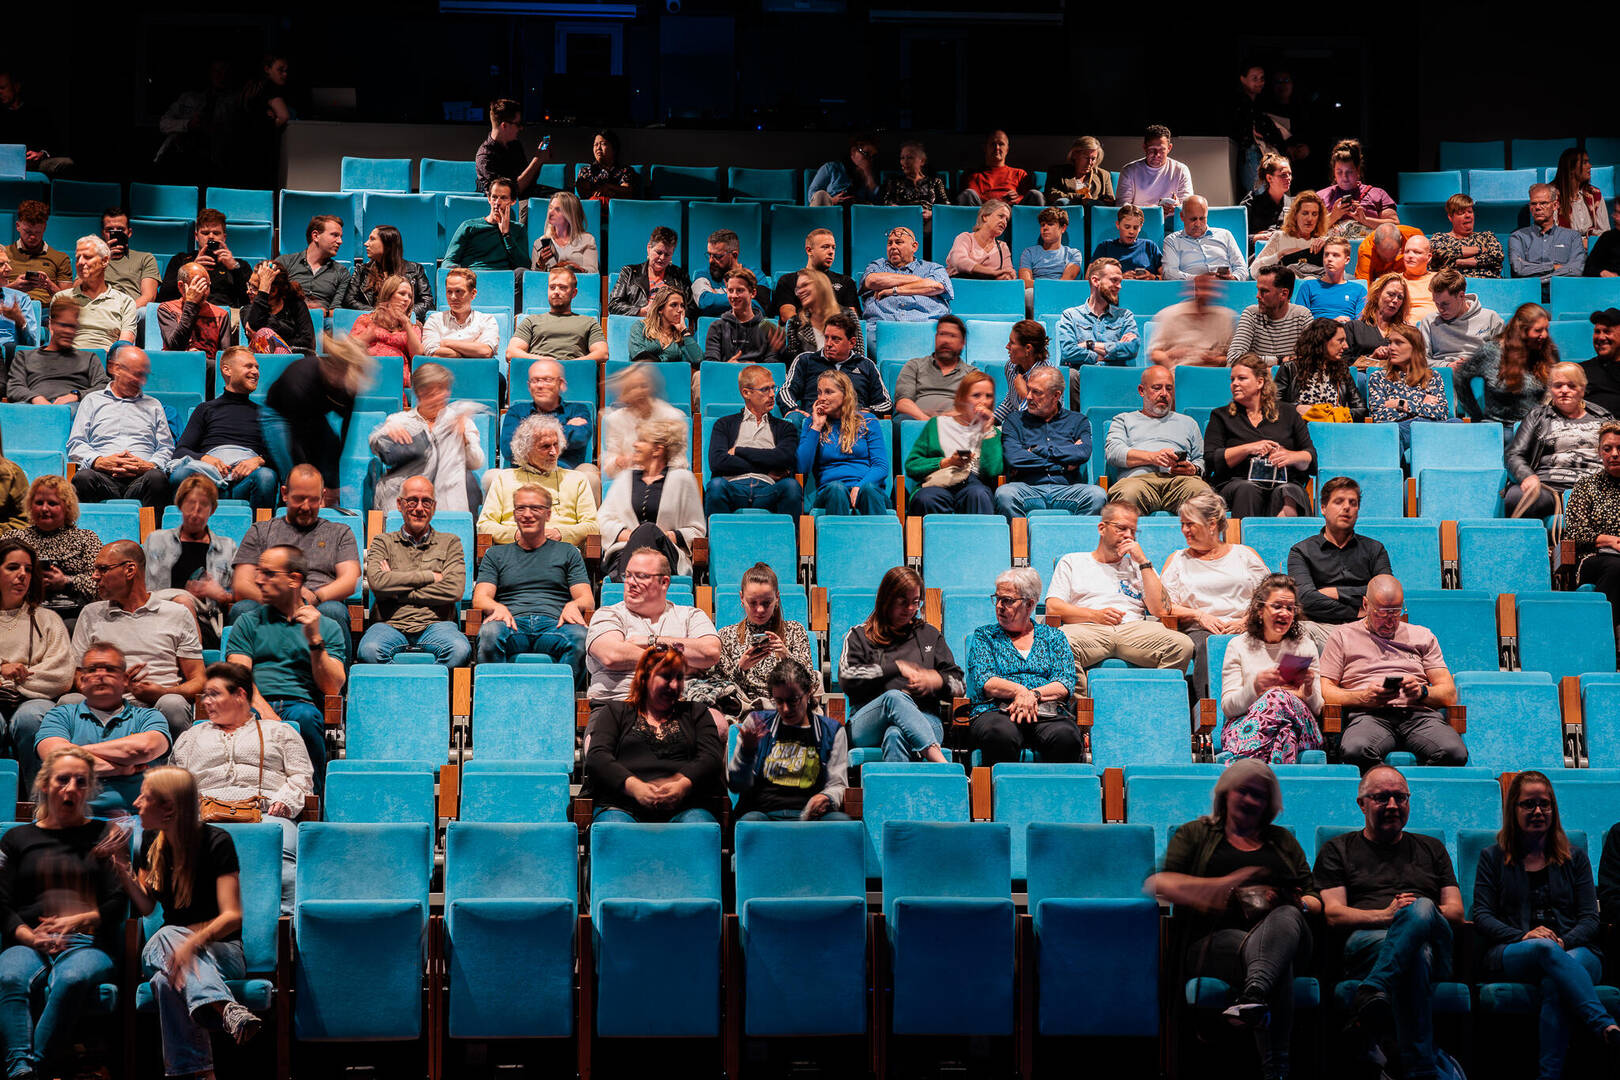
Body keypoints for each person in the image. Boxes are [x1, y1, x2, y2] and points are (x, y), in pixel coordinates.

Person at [1147, 760, 1319, 1076]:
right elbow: (1158, 883)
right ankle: (1276, 1068)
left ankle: (1253, 994)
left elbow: (1314, 899)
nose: (1251, 801)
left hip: (1284, 931)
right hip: (1215, 943)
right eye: (1244, 791)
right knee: (1272, 959)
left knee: (1285, 920)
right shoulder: (1196, 834)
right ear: (1225, 793)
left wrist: (1292, 901)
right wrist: (1226, 885)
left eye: (1260, 796)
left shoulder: (1282, 841)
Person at [102, 765, 264, 1073]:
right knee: (166, 940)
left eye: (144, 797)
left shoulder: (217, 842)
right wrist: (122, 865)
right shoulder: (151, 840)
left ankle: (198, 1072)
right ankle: (224, 1009)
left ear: (169, 808)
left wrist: (192, 942)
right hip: (168, 949)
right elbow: (147, 906)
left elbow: (232, 916)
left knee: (165, 980)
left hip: (221, 951)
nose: (136, 803)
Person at [1317, 765, 1466, 1077]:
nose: (1393, 806)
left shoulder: (1432, 848)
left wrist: (1415, 914)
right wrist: (1386, 916)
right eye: (1382, 798)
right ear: (1362, 803)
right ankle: (1421, 1067)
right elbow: (1333, 913)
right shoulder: (1338, 849)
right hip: (1367, 943)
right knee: (1416, 953)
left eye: (1400, 797)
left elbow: (1454, 912)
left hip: (1436, 940)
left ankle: (1373, 988)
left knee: (1423, 907)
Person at [1473, 770, 1620, 1077]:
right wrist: (1523, 935)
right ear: (1513, 810)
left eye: (1545, 804)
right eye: (1528, 804)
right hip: (1514, 951)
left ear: (1554, 809)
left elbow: (1590, 918)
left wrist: (1564, 942)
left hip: (1575, 949)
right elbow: (1483, 916)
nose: (1538, 811)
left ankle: (1549, 1075)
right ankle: (1601, 1021)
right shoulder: (1492, 857)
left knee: (1557, 976)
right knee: (1543, 949)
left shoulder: (1575, 858)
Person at [0, 748, 124, 1080]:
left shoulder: (104, 835)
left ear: (89, 790)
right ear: (44, 784)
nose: (71, 788)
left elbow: (116, 903)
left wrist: (79, 920)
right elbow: (1, 903)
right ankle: (19, 1066)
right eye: (63, 779)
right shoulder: (16, 838)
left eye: (81, 782)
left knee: (72, 979)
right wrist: (31, 936)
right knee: (9, 976)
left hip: (87, 943)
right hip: (28, 940)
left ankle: (32, 1070)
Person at [169, 662, 313, 914]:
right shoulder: (190, 736)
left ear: (240, 695)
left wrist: (287, 800)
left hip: (267, 813)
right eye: (204, 695)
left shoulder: (280, 731)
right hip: (204, 813)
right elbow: (174, 781)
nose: (206, 701)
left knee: (280, 841)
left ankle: (281, 925)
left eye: (214, 694)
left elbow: (302, 776)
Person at [225, 544, 348, 790]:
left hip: (300, 706)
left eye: (268, 573)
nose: (258, 580)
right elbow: (240, 679)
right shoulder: (247, 622)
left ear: (294, 579)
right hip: (252, 704)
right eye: (258, 572)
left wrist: (314, 639)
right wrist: (268, 715)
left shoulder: (327, 627)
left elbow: (332, 687)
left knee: (305, 718)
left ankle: (313, 803)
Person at [1320, 575, 1466, 770]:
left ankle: (1414, 794)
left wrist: (1422, 692)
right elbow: (1325, 690)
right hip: (1369, 715)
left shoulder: (1422, 635)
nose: (1389, 622)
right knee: (1356, 750)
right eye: (1381, 614)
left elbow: (1449, 694)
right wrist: (1363, 697)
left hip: (1418, 715)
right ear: (1365, 605)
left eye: (1395, 613)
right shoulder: (1342, 636)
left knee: (1454, 752)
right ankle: (1384, 790)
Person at [1045, 503, 1194, 684]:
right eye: (1122, 528)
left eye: (1133, 531)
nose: (1128, 536)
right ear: (1102, 528)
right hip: (1087, 629)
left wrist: (1143, 561)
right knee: (1057, 644)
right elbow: (1053, 607)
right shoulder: (1072, 561)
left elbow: (1161, 610)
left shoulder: (1140, 566)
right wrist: (1095, 615)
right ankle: (1080, 708)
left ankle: (1152, 701)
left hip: (1135, 630)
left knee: (1182, 646)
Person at [69, 539, 204, 736]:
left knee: (173, 704)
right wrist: (110, 689)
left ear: (130, 570)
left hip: (159, 703)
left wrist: (162, 693)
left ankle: (171, 766)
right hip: (103, 702)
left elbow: (198, 680)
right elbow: (78, 675)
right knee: (68, 702)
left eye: (102, 569)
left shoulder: (177, 614)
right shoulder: (90, 613)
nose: (94, 577)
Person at [583, 644, 726, 823]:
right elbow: (598, 757)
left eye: (679, 678)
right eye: (666, 677)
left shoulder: (696, 712)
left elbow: (711, 757)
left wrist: (682, 784)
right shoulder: (615, 711)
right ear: (645, 677)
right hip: (623, 805)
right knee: (614, 827)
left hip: (686, 805)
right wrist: (634, 787)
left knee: (699, 825)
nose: (674, 685)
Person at [839, 566, 962, 764]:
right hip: (869, 723)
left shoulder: (929, 634)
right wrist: (895, 667)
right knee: (894, 698)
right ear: (886, 599)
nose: (911, 609)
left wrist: (937, 680)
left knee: (896, 735)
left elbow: (959, 685)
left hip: (926, 719)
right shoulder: (859, 635)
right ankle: (942, 765)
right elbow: (847, 676)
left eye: (915, 602)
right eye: (903, 602)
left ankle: (897, 794)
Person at [472, 484, 593, 681]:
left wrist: (574, 604)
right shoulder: (495, 554)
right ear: (514, 514)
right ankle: (498, 699)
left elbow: (586, 598)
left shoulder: (568, 552)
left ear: (548, 514)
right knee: (490, 633)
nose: (527, 514)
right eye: (521, 508)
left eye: (535, 508)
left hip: (554, 625)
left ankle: (559, 700)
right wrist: (496, 607)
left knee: (581, 638)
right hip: (511, 624)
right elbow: (480, 598)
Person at [229, 465, 361, 642]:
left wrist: (315, 597)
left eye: (313, 500)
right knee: (242, 608)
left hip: (318, 604)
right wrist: (281, 600)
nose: (306, 507)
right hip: (268, 603)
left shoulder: (340, 532)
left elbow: (349, 580)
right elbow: (241, 584)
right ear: (285, 494)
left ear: (322, 497)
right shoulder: (260, 531)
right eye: (299, 499)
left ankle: (336, 669)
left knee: (334, 611)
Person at [964, 567, 1081, 765]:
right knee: (999, 734)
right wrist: (1021, 692)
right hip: (996, 711)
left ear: (1030, 604)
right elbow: (985, 680)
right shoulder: (985, 636)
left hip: (1046, 711)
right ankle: (1002, 794)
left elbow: (1065, 681)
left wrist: (1033, 695)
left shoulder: (1053, 637)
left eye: (1007, 600)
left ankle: (1053, 794)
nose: (999, 606)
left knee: (1066, 736)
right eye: (997, 598)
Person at [34, 644, 170, 813]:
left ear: (125, 680)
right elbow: (55, 760)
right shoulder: (60, 715)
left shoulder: (149, 716)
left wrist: (75, 752)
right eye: (92, 670)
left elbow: (144, 749)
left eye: (109, 669)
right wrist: (121, 768)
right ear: (82, 681)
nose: (100, 675)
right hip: (70, 817)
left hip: (137, 819)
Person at [1160, 492, 1269, 696]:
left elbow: (1269, 597)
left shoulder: (1244, 555)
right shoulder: (1177, 560)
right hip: (1200, 631)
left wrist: (1247, 620)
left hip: (1246, 625)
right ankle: (1210, 716)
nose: (1185, 530)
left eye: (1190, 524)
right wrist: (1199, 615)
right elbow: (1165, 606)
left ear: (1211, 524)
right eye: (1182, 524)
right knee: (1210, 645)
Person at [358, 476, 470, 668]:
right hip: (390, 624)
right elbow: (377, 583)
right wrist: (430, 577)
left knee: (459, 649)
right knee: (369, 650)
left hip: (436, 624)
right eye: (412, 501)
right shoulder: (382, 542)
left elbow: (454, 590)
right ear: (400, 505)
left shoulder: (450, 542)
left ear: (434, 507)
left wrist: (395, 588)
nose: (419, 508)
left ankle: (426, 686)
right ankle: (409, 687)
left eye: (426, 501)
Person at [584, 547, 721, 703]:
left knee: (718, 723)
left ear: (664, 582)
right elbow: (612, 656)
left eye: (641, 576)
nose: (630, 583)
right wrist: (678, 664)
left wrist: (652, 641)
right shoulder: (608, 614)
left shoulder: (691, 616)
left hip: (680, 705)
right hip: (619, 703)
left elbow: (710, 652)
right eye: (628, 575)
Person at [1218, 574, 1324, 764]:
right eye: (1277, 606)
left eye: (1290, 608)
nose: (1284, 613)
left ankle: (1243, 764)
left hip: (1301, 727)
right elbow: (1229, 707)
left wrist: (1307, 690)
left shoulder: (1304, 646)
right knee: (1284, 736)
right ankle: (1277, 784)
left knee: (1277, 697)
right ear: (1260, 610)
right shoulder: (1238, 646)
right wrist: (1256, 687)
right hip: (1247, 725)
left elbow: (1317, 708)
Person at [686, 563, 815, 718]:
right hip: (742, 711)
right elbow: (721, 689)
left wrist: (787, 657)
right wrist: (741, 667)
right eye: (753, 602)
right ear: (742, 598)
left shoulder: (795, 630)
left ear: (777, 598)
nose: (759, 610)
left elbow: (811, 683)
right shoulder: (726, 635)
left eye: (766, 603)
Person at [727, 658, 850, 821]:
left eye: (793, 701)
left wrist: (827, 797)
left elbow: (838, 784)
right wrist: (746, 753)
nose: (785, 709)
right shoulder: (758, 723)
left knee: (840, 822)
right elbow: (737, 785)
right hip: (763, 812)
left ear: (809, 693)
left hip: (810, 816)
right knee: (751, 821)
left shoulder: (832, 731)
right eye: (779, 701)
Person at [1207, 353, 1317, 520]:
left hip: (1282, 482)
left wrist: (1291, 456)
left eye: (1242, 378)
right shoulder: (1221, 416)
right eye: (1232, 379)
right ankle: (1245, 544)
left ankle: (1287, 544)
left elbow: (1310, 457)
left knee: (1290, 492)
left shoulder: (1288, 413)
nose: (1235, 384)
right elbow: (1211, 459)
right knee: (1247, 489)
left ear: (1260, 382)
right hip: (1237, 483)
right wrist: (1248, 448)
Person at [1286, 477, 1392, 649]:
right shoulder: (1301, 551)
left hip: (1368, 627)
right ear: (1323, 508)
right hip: (1321, 628)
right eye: (1338, 502)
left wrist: (1335, 592)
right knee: (1299, 632)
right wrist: (1356, 609)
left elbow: (1385, 593)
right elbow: (1305, 599)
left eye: (1353, 503)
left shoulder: (1374, 549)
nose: (1346, 507)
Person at [261, 339, 373, 496]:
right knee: (295, 473)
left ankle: (325, 502)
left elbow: (344, 432)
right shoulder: (300, 378)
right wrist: (306, 478)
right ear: (331, 367)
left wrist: (333, 485)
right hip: (280, 415)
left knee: (331, 444)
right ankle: (292, 502)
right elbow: (296, 440)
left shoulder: (348, 384)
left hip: (312, 413)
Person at [65, 346, 173, 508]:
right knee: (83, 478)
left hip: (142, 477)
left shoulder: (154, 405)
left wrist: (149, 465)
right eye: (135, 374)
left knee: (157, 478)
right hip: (102, 476)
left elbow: (166, 448)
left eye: (143, 375)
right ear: (115, 368)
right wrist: (99, 461)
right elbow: (76, 444)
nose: (140, 381)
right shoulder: (92, 401)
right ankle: (90, 533)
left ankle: (152, 534)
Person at [367, 362, 484, 512]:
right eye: (430, 393)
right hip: (408, 500)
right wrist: (386, 431)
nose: (437, 398)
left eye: (441, 390)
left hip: (448, 502)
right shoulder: (401, 420)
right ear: (418, 394)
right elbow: (375, 445)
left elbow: (476, 462)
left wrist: (465, 439)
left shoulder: (460, 420)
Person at [598, 419, 704, 579]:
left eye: (641, 440)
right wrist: (635, 536)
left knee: (649, 529)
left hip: (664, 556)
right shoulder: (624, 478)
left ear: (657, 449)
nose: (635, 445)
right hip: (624, 551)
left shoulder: (683, 479)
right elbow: (603, 521)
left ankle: (626, 579)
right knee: (646, 530)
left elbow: (696, 531)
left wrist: (661, 536)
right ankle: (629, 576)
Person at [995, 366, 1105, 520]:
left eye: (1037, 392)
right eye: (1028, 390)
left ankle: (1076, 540)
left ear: (1056, 396)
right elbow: (1014, 458)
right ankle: (1022, 542)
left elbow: (1083, 453)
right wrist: (1063, 463)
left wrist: (1035, 451)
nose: (1028, 397)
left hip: (1068, 489)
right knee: (1005, 494)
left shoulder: (1078, 421)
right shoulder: (1014, 421)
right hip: (1027, 489)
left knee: (1097, 495)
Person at [0, 537, 74, 764]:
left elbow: (61, 675)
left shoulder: (47, 619)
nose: (22, 574)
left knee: (31, 718)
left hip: (34, 700)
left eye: (28, 569)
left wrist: (10, 681)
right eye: (12, 567)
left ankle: (37, 797)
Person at [477, 413, 599, 547]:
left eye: (556, 445)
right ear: (526, 450)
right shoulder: (504, 479)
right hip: (514, 549)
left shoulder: (577, 479)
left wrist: (560, 533)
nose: (553, 452)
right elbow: (485, 525)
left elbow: (592, 526)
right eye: (545, 446)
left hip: (562, 550)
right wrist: (517, 534)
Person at [1104, 365, 1213, 514]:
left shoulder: (1188, 423)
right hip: (1138, 481)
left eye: (1169, 389)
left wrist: (1193, 469)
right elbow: (1113, 453)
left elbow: (1200, 459)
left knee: (1203, 494)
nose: (1164, 394)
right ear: (1141, 391)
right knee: (1127, 495)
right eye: (1157, 388)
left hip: (1181, 483)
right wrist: (1153, 457)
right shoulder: (1123, 420)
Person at [143, 476, 238, 641]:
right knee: (182, 601)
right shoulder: (156, 540)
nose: (195, 512)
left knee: (184, 603)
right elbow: (141, 587)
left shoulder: (227, 547)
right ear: (180, 505)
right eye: (190, 503)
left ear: (212, 510)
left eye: (203, 505)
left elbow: (242, 593)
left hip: (205, 621)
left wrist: (222, 595)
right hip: (158, 617)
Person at [167, 357, 270, 504]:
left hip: (247, 478)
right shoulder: (205, 409)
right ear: (226, 370)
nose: (255, 372)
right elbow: (180, 451)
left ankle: (260, 527)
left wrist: (259, 460)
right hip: (208, 480)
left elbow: (279, 455)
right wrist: (205, 458)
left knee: (266, 477)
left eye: (257, 367)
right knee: (181, 475)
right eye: (249, 366)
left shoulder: (264, 414)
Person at [703, 365, 801, 517]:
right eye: (765, 389)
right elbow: (718, 462)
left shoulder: (785, 427)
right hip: (733, 487)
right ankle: (716, 540)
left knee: (791, 486)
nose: (772, 394)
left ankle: (791, 540)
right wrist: (767, 466)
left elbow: (784, 458)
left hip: (768, 489)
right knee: (716, 486)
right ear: (746, 393)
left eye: (773, 388)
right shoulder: (724, 424)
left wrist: (739, 451)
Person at [5, 476, 102, 627]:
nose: (44, 508)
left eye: (52, 503)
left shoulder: (86, 538)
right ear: (30, 506)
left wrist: (66, 582)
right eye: (38, 503)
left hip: (75, 616)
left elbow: (101, 586)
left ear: (67, 507)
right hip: (20, 613)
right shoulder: (13, 538)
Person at [904, 369, 1001, 517]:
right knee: (925, 498)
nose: (983, 401)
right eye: (976, 395)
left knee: (979, 495)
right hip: (939, 481)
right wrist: (948, 462)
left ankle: (980, 540)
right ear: (962, 398)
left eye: (988, 396)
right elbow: (912, 466)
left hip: (975, 484)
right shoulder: (937, 424)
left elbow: (994, 472)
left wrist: (987, 430)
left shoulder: (994, 432)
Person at [799, 371, 890, 517]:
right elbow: (802, 467)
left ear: (844, 394)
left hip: (867, 488)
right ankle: (838, 539)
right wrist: (816, 426)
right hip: (830, 492)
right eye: (819, 393)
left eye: (828, 392)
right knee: (837, 488)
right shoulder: (812, 424)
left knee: (869, 490)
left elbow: (881, 466)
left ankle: (877, 539)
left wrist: (858, 487)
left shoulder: (868, 421)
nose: (822, 398)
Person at [1456, 302, 1558, 425]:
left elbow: (1553, 388)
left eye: (1546, 329)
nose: (1545, 335)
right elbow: (1460, 378)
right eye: (1538, 330)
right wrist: (1476, 416)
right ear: (1521, 331)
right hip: (1501, 428)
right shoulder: (1492, 352)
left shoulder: (1548, 351)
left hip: (1536, 427)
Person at [1562, 421, 1620, 629]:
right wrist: (1611, 541)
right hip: (1594, 558)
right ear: (1599, 453)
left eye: (1619, 448)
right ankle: (1600, 635)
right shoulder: (1586, 486)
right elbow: (1576, 530)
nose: (1614, 453)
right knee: (1616, 568)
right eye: (1608, 449)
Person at [779, 313, 891, 416]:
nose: (828, 344)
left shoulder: (865, 365)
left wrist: (867, 412)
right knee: (794, 417)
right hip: (813, 421)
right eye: (826, 337)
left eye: (835, 339)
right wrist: (794, 410)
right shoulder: (806, 360)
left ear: (851, 343)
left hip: (854, 423)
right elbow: (786, 391)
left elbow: (885, 403)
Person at [1366, 326, 1452, 457]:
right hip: (1400, 431)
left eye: (1398, 343)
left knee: (1457, 424)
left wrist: (1401, 403)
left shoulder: (1432, 377)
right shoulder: (1378, 377)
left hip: (1430, 429)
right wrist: (1422, 404)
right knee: (1394, 432)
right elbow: (1379, 416)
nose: (1391, 348)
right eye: (1390, 343)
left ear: (1415, 347)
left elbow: (1441, 412)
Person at [599, 364, 689, 484]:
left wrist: (652, 467)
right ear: (624, 394)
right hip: (627, 482)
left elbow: (680, 463)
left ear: (652, 388)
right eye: (633, 388)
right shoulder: (615, 420)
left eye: (644, 386)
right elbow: (609, 466)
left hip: (665, 481)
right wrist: (618, 461)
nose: (640, 392)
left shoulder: (672, 416)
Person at [7, 298, 108, 404]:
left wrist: (77, 395)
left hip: (75, 410)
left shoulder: (89, 358)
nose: (68, 331)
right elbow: (14, 387)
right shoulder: (24, 356)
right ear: (51, 324)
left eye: (72, 326)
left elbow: (103, 386)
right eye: (63, 325)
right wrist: (35, 398)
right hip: (35, 408)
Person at [500, 357, 593, 474]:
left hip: (566, 474)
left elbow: (579, 437)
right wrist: (563, 430)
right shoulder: (517, 411)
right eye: (535, 380)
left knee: (590, 475)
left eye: (547, 380)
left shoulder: (578, 410)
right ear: (529, 386)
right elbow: (509, 450)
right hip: (525, 473)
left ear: (561, 384)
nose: (540, 385)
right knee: (490, 476)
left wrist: (528, 439)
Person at [507, 265, 609, 364]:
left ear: (574, 293)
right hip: (539, 374)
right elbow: (511, 352)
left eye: (562, 287)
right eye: (552, 287)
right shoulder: (531, 320)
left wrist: (570, 364)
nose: (556, 292)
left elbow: (602, 353)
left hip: (574, 374)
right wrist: (541, 360)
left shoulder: (589, 322)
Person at [1274, 319, 1367, 420]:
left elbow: (1361, 409)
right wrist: (1296, 408)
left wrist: (1336, 413)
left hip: (1332, 428)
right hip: (1299, 428)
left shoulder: (1342, 370)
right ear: (1322, 341)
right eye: (1340, 340)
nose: (1346, 346)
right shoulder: (1290, 368)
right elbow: (1273, 404)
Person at [54, 237, 136, 351]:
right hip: (69, 361)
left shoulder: (125, 302)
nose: (81, 262)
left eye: (87, 257)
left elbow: (123, 348)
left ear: (105, 261)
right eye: (78, 258)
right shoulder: (61, 298)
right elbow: (56, 341)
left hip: (105, 362)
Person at [156, 209, 249, 309]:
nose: (211, 237)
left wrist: (235, 269)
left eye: (216, 233)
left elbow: (249, 300)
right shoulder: (180, 260)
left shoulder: (239, 265)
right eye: (205, 233)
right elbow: (164, 298)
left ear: (224, 237)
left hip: (226, 315)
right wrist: (191, 269)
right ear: (196, 236)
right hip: (186, 312)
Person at [858, 226, 952, 326]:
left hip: (926, 328)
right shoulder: (878, 266)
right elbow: (872, 281)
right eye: (890, 243)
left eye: (898, 242)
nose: (893, 247)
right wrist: (917, 280)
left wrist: (894, 291)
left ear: (914, 246)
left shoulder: (933, 268)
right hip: (881, 329)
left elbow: (936, 286)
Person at [1056, 257, 1140, 366]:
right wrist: (1113, 353)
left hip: (1113, 375)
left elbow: (1132, 349)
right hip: (1081, 376)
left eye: (1120, 281)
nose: (1119, 286)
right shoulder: (1071, 315)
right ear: (1095, 281)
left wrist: (1089, 345)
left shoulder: (1125, 316)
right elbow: (1068, 352)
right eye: (1114, 280)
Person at [340, 225, 433, 323]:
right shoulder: (362, 270)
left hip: (404, 323)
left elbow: (427, 302)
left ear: (387, 245)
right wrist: (379, 313)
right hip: (372, 322)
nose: (366, 243)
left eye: (372, 239)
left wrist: (402, 315)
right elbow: (349, 300)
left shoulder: (415, 269)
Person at [1418, 269, 1504, 368]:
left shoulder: (1491, 318)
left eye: (1445, 304)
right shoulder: (1429, 321)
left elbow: (1504, 357)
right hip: (1443, 376)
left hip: (1481, 374)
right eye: (1436, 303)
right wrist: (1447, 366)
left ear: (1461, 296)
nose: (1440, 309)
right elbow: (1420, 361)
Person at [1226, 265, 1312, 364]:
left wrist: (1259, 362)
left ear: (1284, 294)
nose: (1257, 296)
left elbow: (1313, 358)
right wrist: (1279, 360)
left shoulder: (1302, 316)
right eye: (1258, 290)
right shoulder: (1251, 314)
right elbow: (1233, 357)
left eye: (1264, 291)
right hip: (1258, 378)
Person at [1316, 139, 1398, 241]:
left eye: (1349, 172)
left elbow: (1395, 225)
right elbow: (1309, 230)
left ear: (1358, 170)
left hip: (1369, 250)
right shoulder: (1322, 196)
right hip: (1333, 253)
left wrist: (1365, 220)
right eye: (1339, 172)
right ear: (1333, 172)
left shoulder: (1377, 194)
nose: (1344, 177)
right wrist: (1334, 216)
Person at [894, 317, 975, 420]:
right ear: (936, 337)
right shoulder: (914, 365)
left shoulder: (971, 373)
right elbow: (903, 403)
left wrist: (946, 419)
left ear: (962, 343)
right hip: (917, 422)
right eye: (942, 334)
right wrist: (930, 423)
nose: (945, 340)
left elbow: (975, 407)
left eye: (952, 336)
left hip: (956, 424)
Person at [443, 176, 529, 273]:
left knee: (521, 272)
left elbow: (524, 265)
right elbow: (449, 260)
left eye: (503, 198)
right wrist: (459, 273)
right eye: (494, 197)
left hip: (504, 279)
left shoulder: (518, 229)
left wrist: (506, 234)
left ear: (513, 201)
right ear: (489, 199)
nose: (497, 202)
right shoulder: (469, 226)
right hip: (472, 277)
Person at [703, 268, 787, 364]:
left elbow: (772, 365)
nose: (734, 296)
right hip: (726, 376)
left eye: (739, 290)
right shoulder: (717, 327)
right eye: (730, 290)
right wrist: (729, 366)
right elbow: (711, 365)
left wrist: (753, 368)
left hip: (759, 377)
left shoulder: (769, 328)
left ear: (753, 293)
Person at [772, 228, 859, 320]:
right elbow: (787, 314)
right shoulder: (788, 280)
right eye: (825, 247)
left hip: (835, 332)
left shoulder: (846, 282)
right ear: (809, 250)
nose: (831, 252)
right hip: (801, 331)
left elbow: (851, 318)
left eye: (833, 247)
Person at [154, 262, 233, 363]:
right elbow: (175, 346)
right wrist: (191, 304)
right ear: (181, 286)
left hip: (208, 368)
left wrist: (200, 359)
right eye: (198, 285)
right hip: (177, 364)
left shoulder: (221, 314)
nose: (204, 291)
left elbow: (226, 358)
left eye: (207, 286)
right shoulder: (167, 309)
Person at [1151, 274, 1237, 367]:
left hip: (1214, 373)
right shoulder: (1170, 315)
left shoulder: (1225, 317)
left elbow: (1233, 357)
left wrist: (1215, 360)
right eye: (1201, 289)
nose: (1205, 294)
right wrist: (1170, 357)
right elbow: (1155, 354)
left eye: (1209, 289)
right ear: (1192, 291)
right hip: (1178, 373)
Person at [607, 226, 693, 317]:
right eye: (659, 252)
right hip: (637, 323)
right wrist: (641, 311)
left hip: (669, 326)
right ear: (649, 248)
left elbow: (691, 308)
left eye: (667, 255)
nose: (662, 258)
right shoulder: (629, 272)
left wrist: (671, 312)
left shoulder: (680, 276)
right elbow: (614, 305)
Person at [476, 97, 548, 201]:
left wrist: (540, 160)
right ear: (504, 125)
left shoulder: (515, 145)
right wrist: (537, 160)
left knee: (565, 198)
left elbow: (528, 182)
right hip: (504, 205)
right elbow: (510, 193)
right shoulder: (485, 156)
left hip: (525, 197)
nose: (521, 128)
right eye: (518, 124)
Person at [275, 215, 350, 314]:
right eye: (335, 235)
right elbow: (272, 297)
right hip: (289, 316)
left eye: (340, 237)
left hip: (323, 321)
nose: (340, 241)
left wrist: (323, 313)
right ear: (315, 236)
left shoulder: (342, 272)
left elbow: (336, 310)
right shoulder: (285, 262)